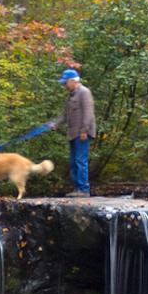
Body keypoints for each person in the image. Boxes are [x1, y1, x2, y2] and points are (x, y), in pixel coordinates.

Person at [43, 68, 95, 197]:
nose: (64, 85)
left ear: (73, 81)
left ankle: (84, 190)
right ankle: (77, 189)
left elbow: (89, 113)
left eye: (65, 82)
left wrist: (84, 130)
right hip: (73, 133)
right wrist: (55, 123)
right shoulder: (71, 95)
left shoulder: (84, 92)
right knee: (73, 162)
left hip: (82, 133)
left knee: (80, 161)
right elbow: (65, 115)